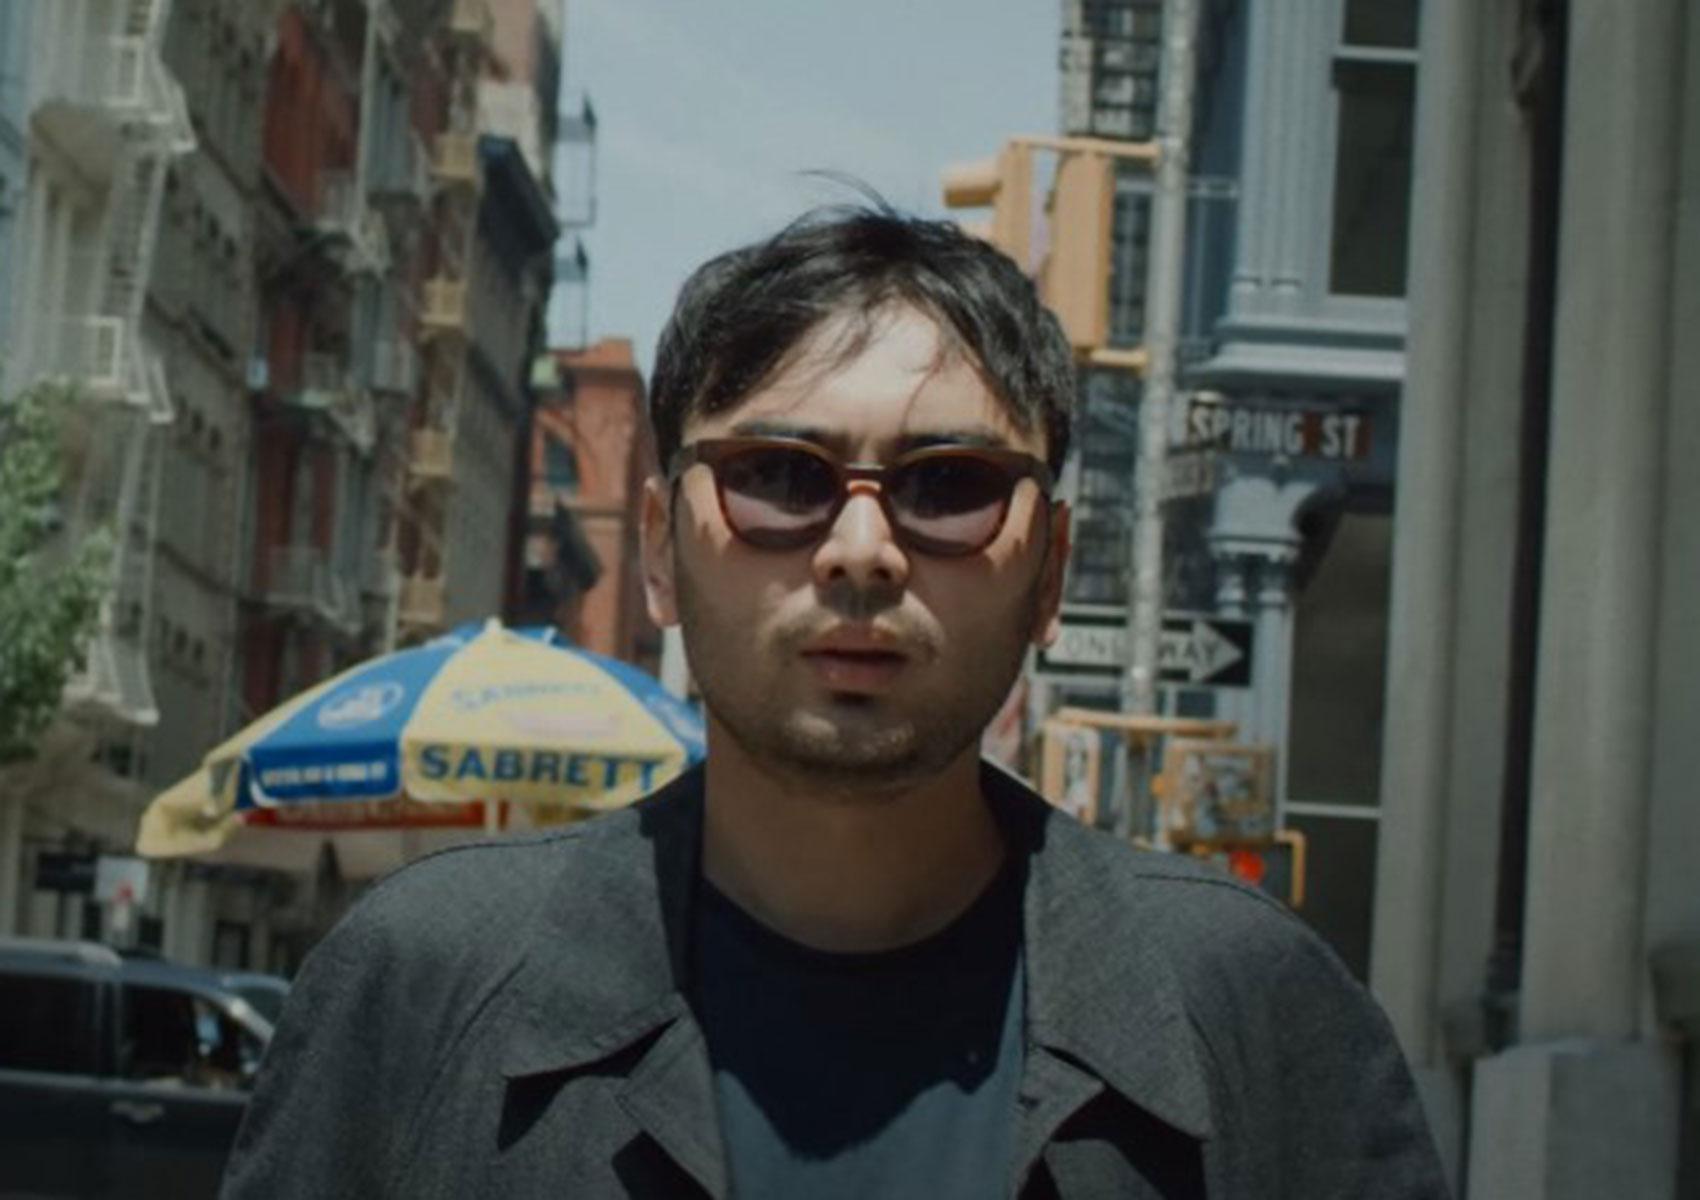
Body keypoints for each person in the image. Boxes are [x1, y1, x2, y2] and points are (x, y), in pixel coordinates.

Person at [221, 206, 1448, 1199]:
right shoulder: (417, 986)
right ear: (658, 548)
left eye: (950, 484)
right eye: (775, 476)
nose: (861, 549)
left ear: (1050, 573)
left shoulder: (1256, 1014)